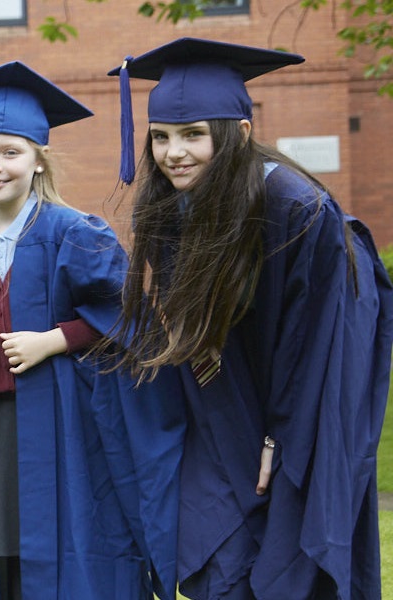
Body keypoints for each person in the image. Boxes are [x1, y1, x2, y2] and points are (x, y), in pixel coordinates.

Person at [111, 38, 392, 599]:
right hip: (219, 420)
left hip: (291, 431)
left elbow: (318, 341)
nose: (174, 153)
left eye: (193, 135)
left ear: (238, 133)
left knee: (285, 571)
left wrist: (280, 436)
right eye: (162, 137)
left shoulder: (293, 207)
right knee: (217, 559)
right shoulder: (173, 209)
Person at [0, 62, 169, 599]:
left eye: (10, 152)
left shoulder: (74, 233)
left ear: (38, 160)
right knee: (3, 548)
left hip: (68, 425)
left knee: (77, 545)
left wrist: (56, 339)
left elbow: (131, 314)